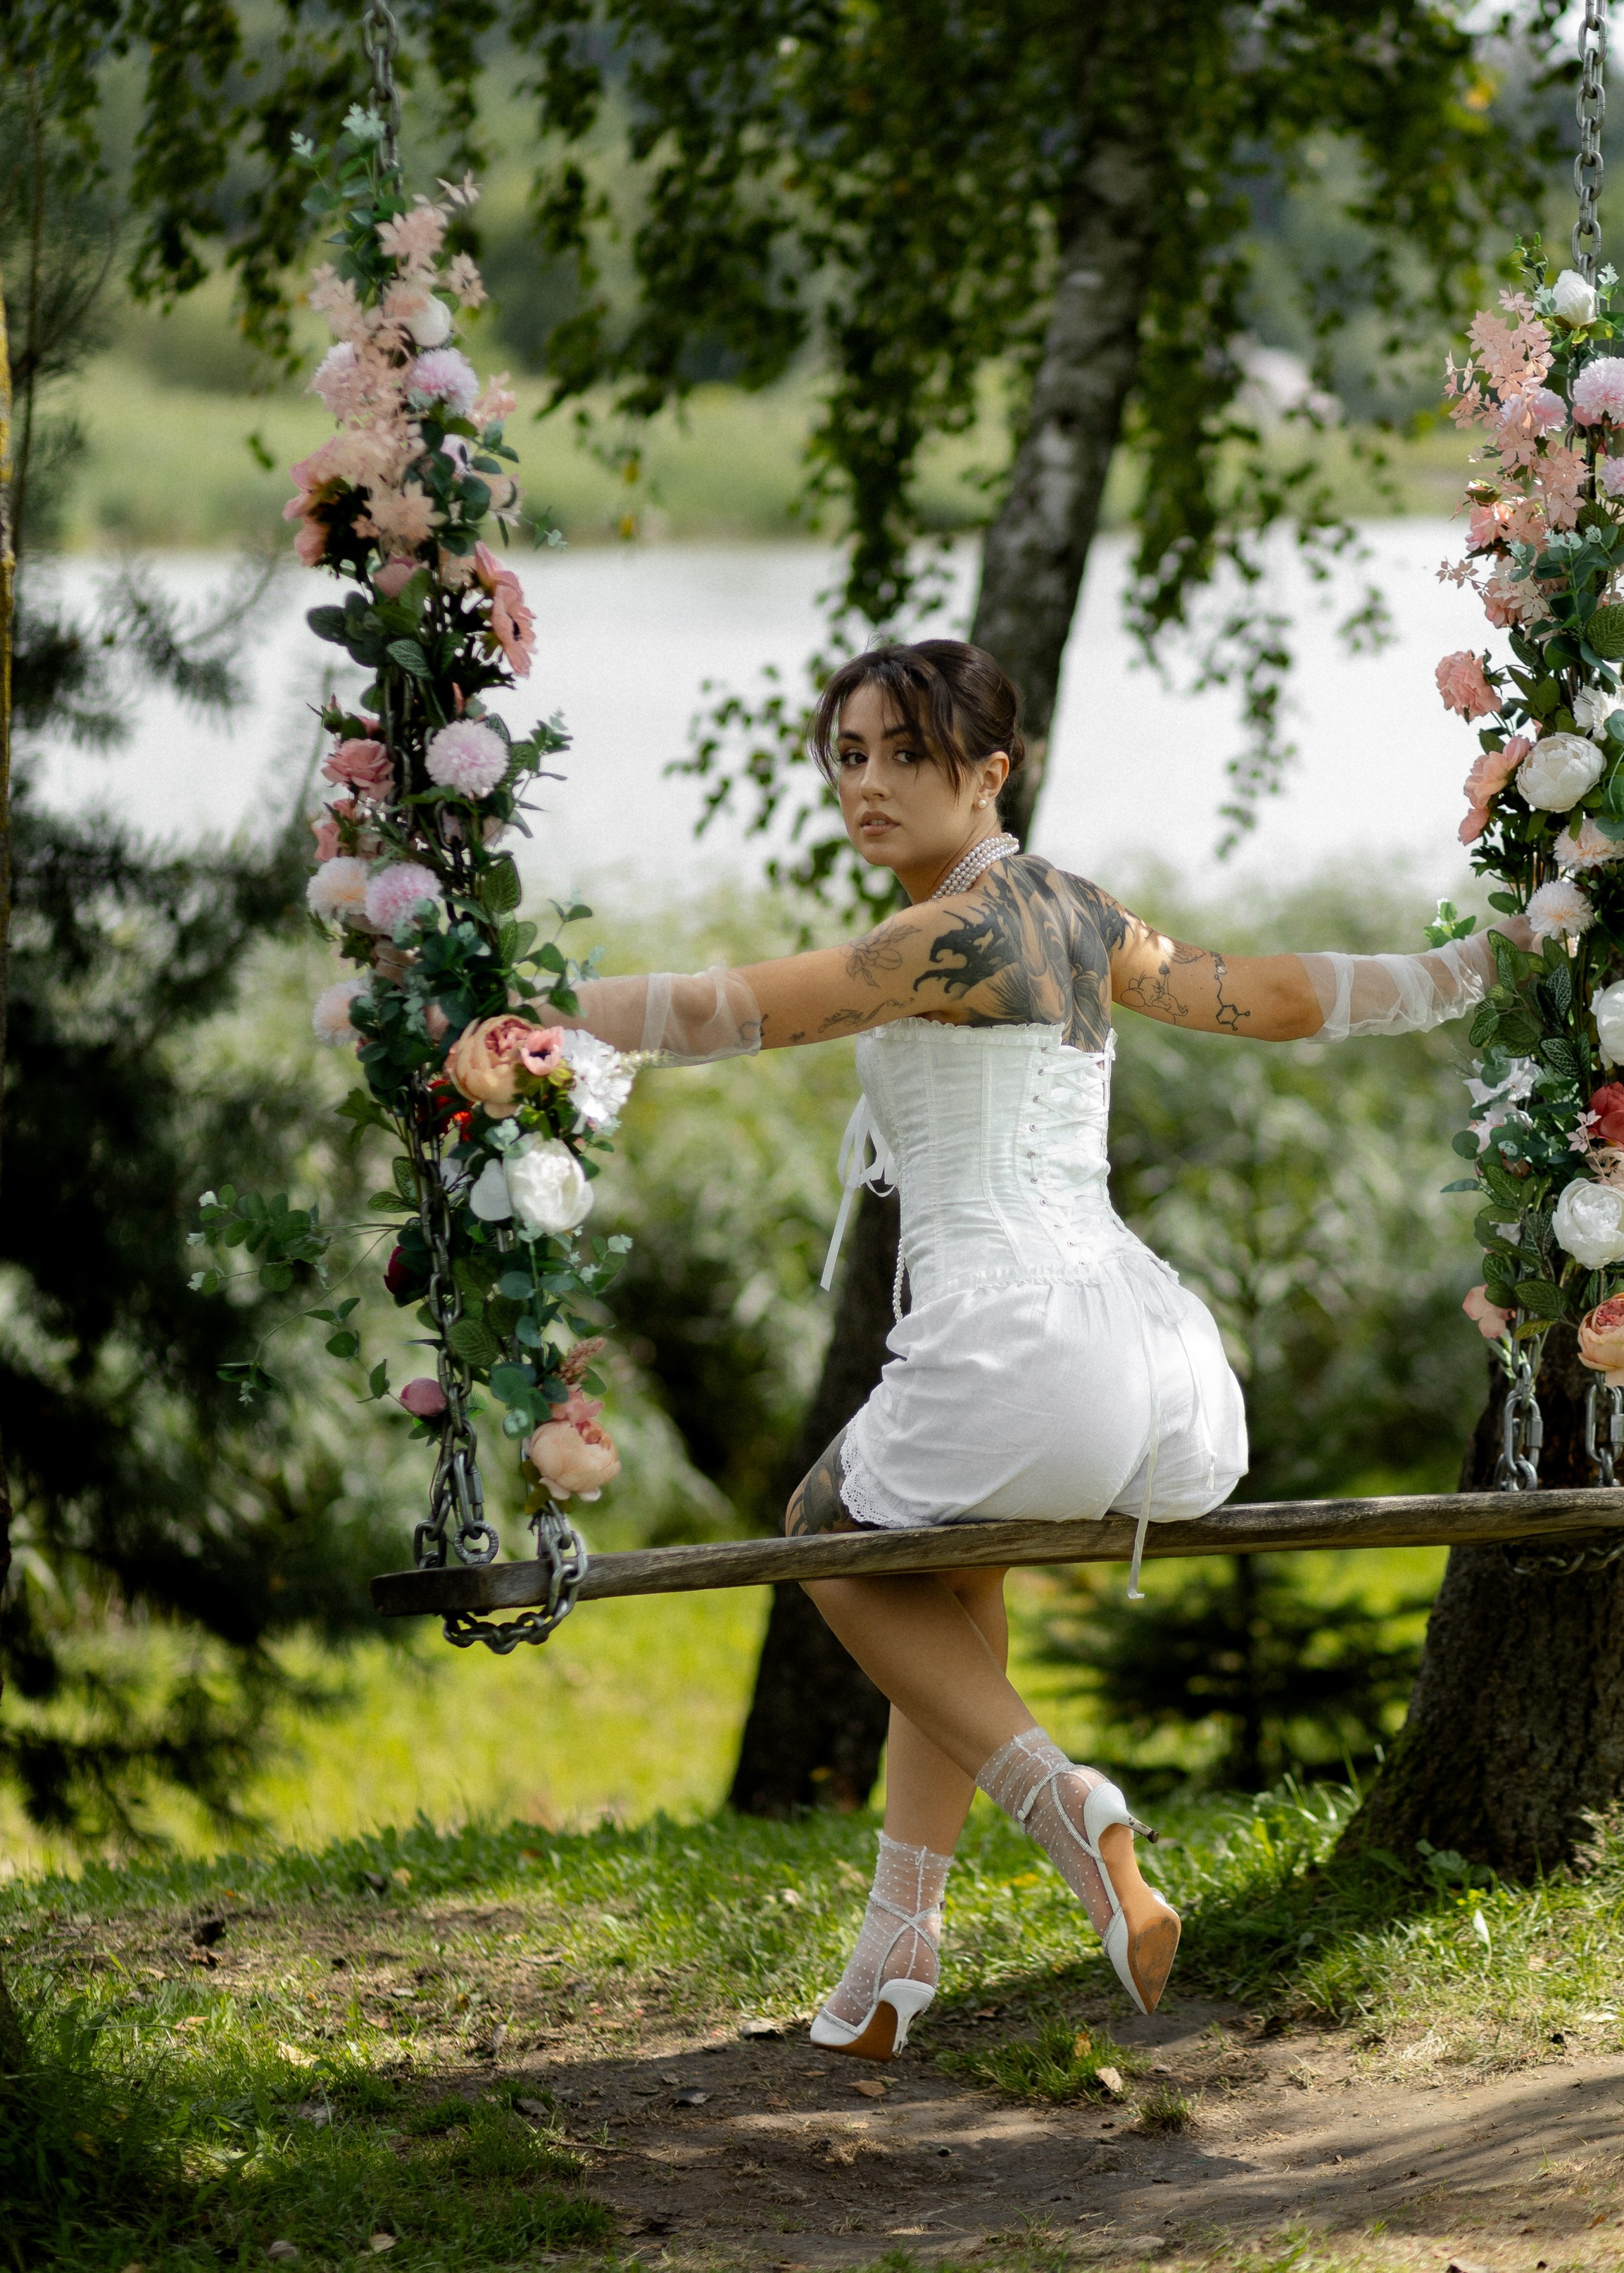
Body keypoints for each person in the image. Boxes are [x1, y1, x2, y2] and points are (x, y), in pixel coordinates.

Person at [536, 639, 1502, 2060]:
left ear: (989, 772)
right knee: (942, 1572)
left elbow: (724, 1010)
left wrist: (524, 1010)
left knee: (821, 1531)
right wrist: (1475, 968)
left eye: (902, 756)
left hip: (1017, 1345)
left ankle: (1065, 1807)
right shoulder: (1081, 912)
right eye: (848, 754)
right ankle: (892, 1956)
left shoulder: (955, 934)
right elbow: (1277, 995)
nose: (865, 784)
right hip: (1155, 1361)